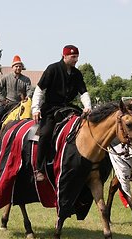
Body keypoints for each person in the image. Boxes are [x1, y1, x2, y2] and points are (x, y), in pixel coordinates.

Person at [31, 45, 92, 181]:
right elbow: (40, 90)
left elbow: (83, 92)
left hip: (69, 108)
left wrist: (87, 106)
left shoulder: (77, 74)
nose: (76, 60)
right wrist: (35, 108)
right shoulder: (52, 69)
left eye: (77, 57)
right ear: (64, 56)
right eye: (73, 57)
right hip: (51, 109)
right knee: (46, 133)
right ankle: (39, 169)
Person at [0, 55, 32, 137]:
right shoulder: (6, 78)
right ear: (12, 67)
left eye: (20, 66)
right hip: (8, 104)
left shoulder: (26, 79)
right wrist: (2, 100)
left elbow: (29, 90)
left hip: (21, 105)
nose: (18, 68)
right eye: (16, 66)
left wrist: (27, 98)